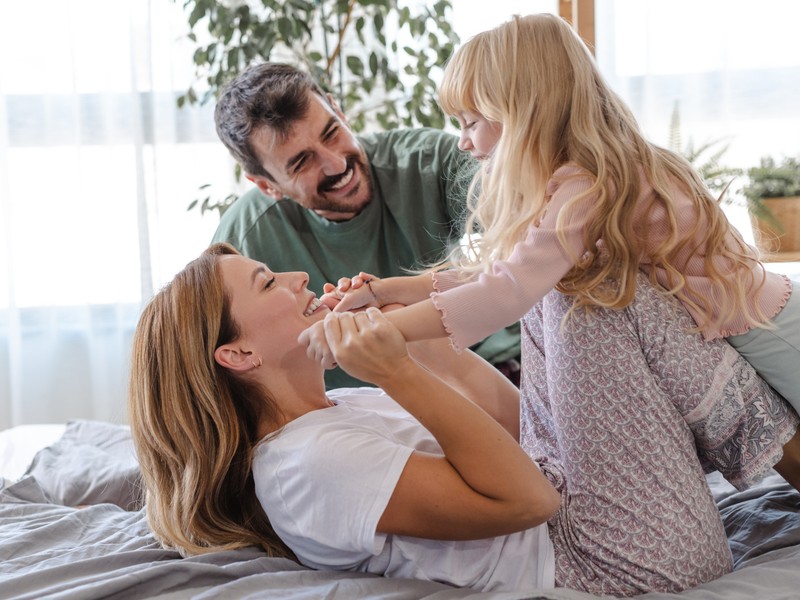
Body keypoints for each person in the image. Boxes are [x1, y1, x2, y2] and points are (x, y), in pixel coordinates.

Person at [129, 243, 800, 597]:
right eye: (270, 284)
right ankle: (778, 442)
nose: (301, 277)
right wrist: (399, 373)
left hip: (603, 526)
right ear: (238, 353)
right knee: (578, 287)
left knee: (575, 281)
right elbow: (528, 497)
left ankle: (773, 440)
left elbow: (517, 428)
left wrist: (415, 340)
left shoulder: (342, 411)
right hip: (610, 564)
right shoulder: (305, 467)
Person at [318, 13, 799, 415]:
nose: (462, 142)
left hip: (765, 323)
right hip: (746, 319)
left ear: (523, 112)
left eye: (471, 123)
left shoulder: (585, 186)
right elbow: (501, 274)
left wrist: (379, 333)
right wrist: (384, 292)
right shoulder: (582, 180)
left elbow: (506, 292)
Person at [211, 62, 521, 390]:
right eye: (302, 162)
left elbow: (535, 224)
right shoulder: (242, 243)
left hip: (491, 368)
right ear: (266, 185)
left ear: (339, 111)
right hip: (355, 413)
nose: (336, 163)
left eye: (332, 133)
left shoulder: (426, 160)